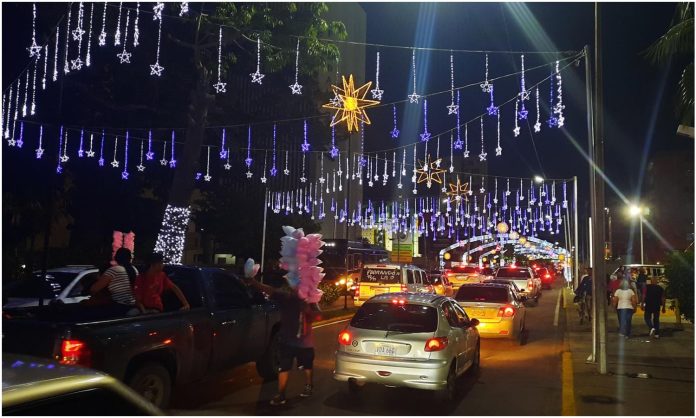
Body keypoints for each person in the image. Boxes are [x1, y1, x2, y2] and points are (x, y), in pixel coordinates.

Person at [243, 273, 321, 406]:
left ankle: (309, 385)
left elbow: (319, 316)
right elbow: (269, 290)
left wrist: (308, 310)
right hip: (286, 340)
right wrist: (254, 282)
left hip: (304, 342)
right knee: (283, 367)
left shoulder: (310, 300)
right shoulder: (285, 298)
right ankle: (281, 393)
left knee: (306, 366)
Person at [90, 248, 139, 316]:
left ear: (117, 258)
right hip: (133, 305)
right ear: (129, 258)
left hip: (117, 307)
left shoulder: (114, 270)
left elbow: (94, 289)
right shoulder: (134, 270)